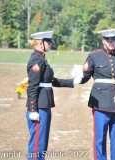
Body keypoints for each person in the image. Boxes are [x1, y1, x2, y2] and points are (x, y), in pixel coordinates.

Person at [25, 30, 82, 160]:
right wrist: (33, 109)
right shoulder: (36, 61)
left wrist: (73, 81)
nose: (50, 45)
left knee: (41, 144)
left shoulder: (41, 59)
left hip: (44, 106)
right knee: (37, 146)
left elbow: (51, 81)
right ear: (41, 43)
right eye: (48, 42)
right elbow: (32, 86)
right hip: (39, 107)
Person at [79, 28, 115, 160]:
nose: (111, 43)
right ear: (103, 40)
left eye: (114, 40)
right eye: (108, 40)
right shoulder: (94, 56)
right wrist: (77, 77)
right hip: (101, 103)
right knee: (100, 139)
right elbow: (86, 76)